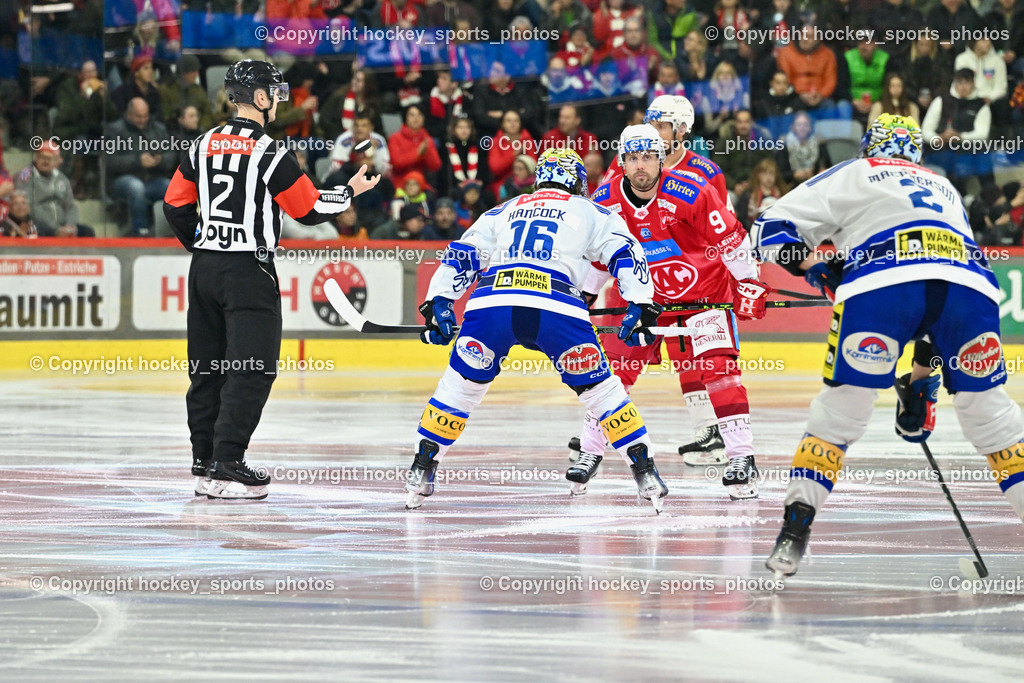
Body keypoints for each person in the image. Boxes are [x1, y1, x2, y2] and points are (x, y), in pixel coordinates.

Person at [752, 114, 1024, 577]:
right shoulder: (944, 186)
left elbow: (768, 229)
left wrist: (815, 268)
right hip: (971, 288)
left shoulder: (857, 170)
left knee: (842, 411)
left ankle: (793, 533)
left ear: (869, 147)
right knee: (992, 417)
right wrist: (920, 388)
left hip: (882, 285)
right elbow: (933, 300)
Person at [162, 60, 380, 500]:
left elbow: (173, 204)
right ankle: (228, 462)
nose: (278, 100)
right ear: (259, 97)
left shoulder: (202, 143)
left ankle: (205, 462)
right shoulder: (268, 151)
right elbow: (308, 208)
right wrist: (349, 191)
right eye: (274, 93)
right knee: (253, 368)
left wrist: (204, 244)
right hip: (248, 270)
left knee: (207, 368)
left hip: (204, 269)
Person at [408, 148, 667, 511]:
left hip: (492, 304)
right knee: (603, 393)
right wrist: (640, 304)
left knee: (459, 389)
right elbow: (626, 254)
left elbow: (462, 254)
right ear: (577, 182)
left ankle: (421, 468)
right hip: (556, 306)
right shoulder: (591, 210)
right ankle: (645, 472)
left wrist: (439, 302)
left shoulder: (503, 209)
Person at [572, 124, 770, 500]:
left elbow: (731, 239)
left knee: (720, 372)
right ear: (621, 162)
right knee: (613, 374)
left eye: (648, 157)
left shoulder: (691, 191)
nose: (640, 165)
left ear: (661, 159)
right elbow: (598, 258)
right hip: (643, 300)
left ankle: (742, 459)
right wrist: (582, 297)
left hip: (704, 296)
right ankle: (589, 452)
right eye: (633, 158)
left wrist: (748, 282)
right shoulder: (604, 201)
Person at [598, 95, 734, 463]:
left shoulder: (704, 171)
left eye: (661, 125)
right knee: (620, 352)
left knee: (689, 352)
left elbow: (720, 230)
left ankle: (709, 429)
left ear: (682, 130)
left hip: (690, 278)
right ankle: (600, 425)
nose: (652, 132)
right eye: (650, 123)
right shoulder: (627, 161)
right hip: (640, 276)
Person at [106, 97, 176, 236]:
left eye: (145, 116)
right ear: (129, 114)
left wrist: (160, 160)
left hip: (152, 178)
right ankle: (140, 232)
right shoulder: (115, 130)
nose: (143, 120)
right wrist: (138, 161)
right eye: (138, 116)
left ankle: (175, 230)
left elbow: (171, 155)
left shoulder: (158, 129)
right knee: (136, 188)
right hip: (123, 179)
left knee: (171, 188)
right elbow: (111, 161)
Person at [15, 142, 95, 237]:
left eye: (50, 158)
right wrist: (56, 229)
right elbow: (30, 207)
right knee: (41, 231)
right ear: (36, 157)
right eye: (42, 157)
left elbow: (70, 206)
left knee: (87, 231)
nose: (45, 161)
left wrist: (70, 226)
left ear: (57, 161)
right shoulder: (25, 176)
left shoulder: (62, 178)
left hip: (62, 225)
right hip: (38, 224)